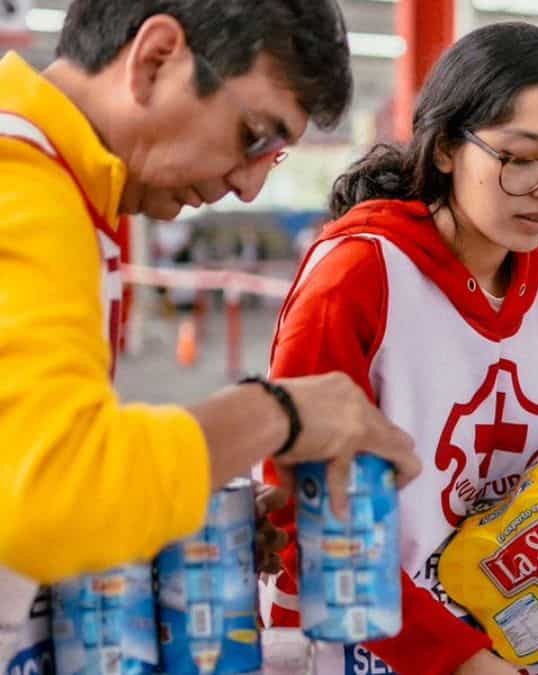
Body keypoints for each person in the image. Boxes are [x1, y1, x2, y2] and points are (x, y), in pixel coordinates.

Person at [0, 0, 419, 665]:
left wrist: (175, 497)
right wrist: (275, 412)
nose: (250, 187)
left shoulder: (61, 186)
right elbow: (53, 500)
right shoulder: (19, 184)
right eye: (253, 134)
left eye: (273, 158)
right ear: (157, 58)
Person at [260, 21, 538, 675]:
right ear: (449, 145)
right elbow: (300, 522)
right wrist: (458, 660)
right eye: (521, 158)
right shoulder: (359, 277)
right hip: (352, 653)